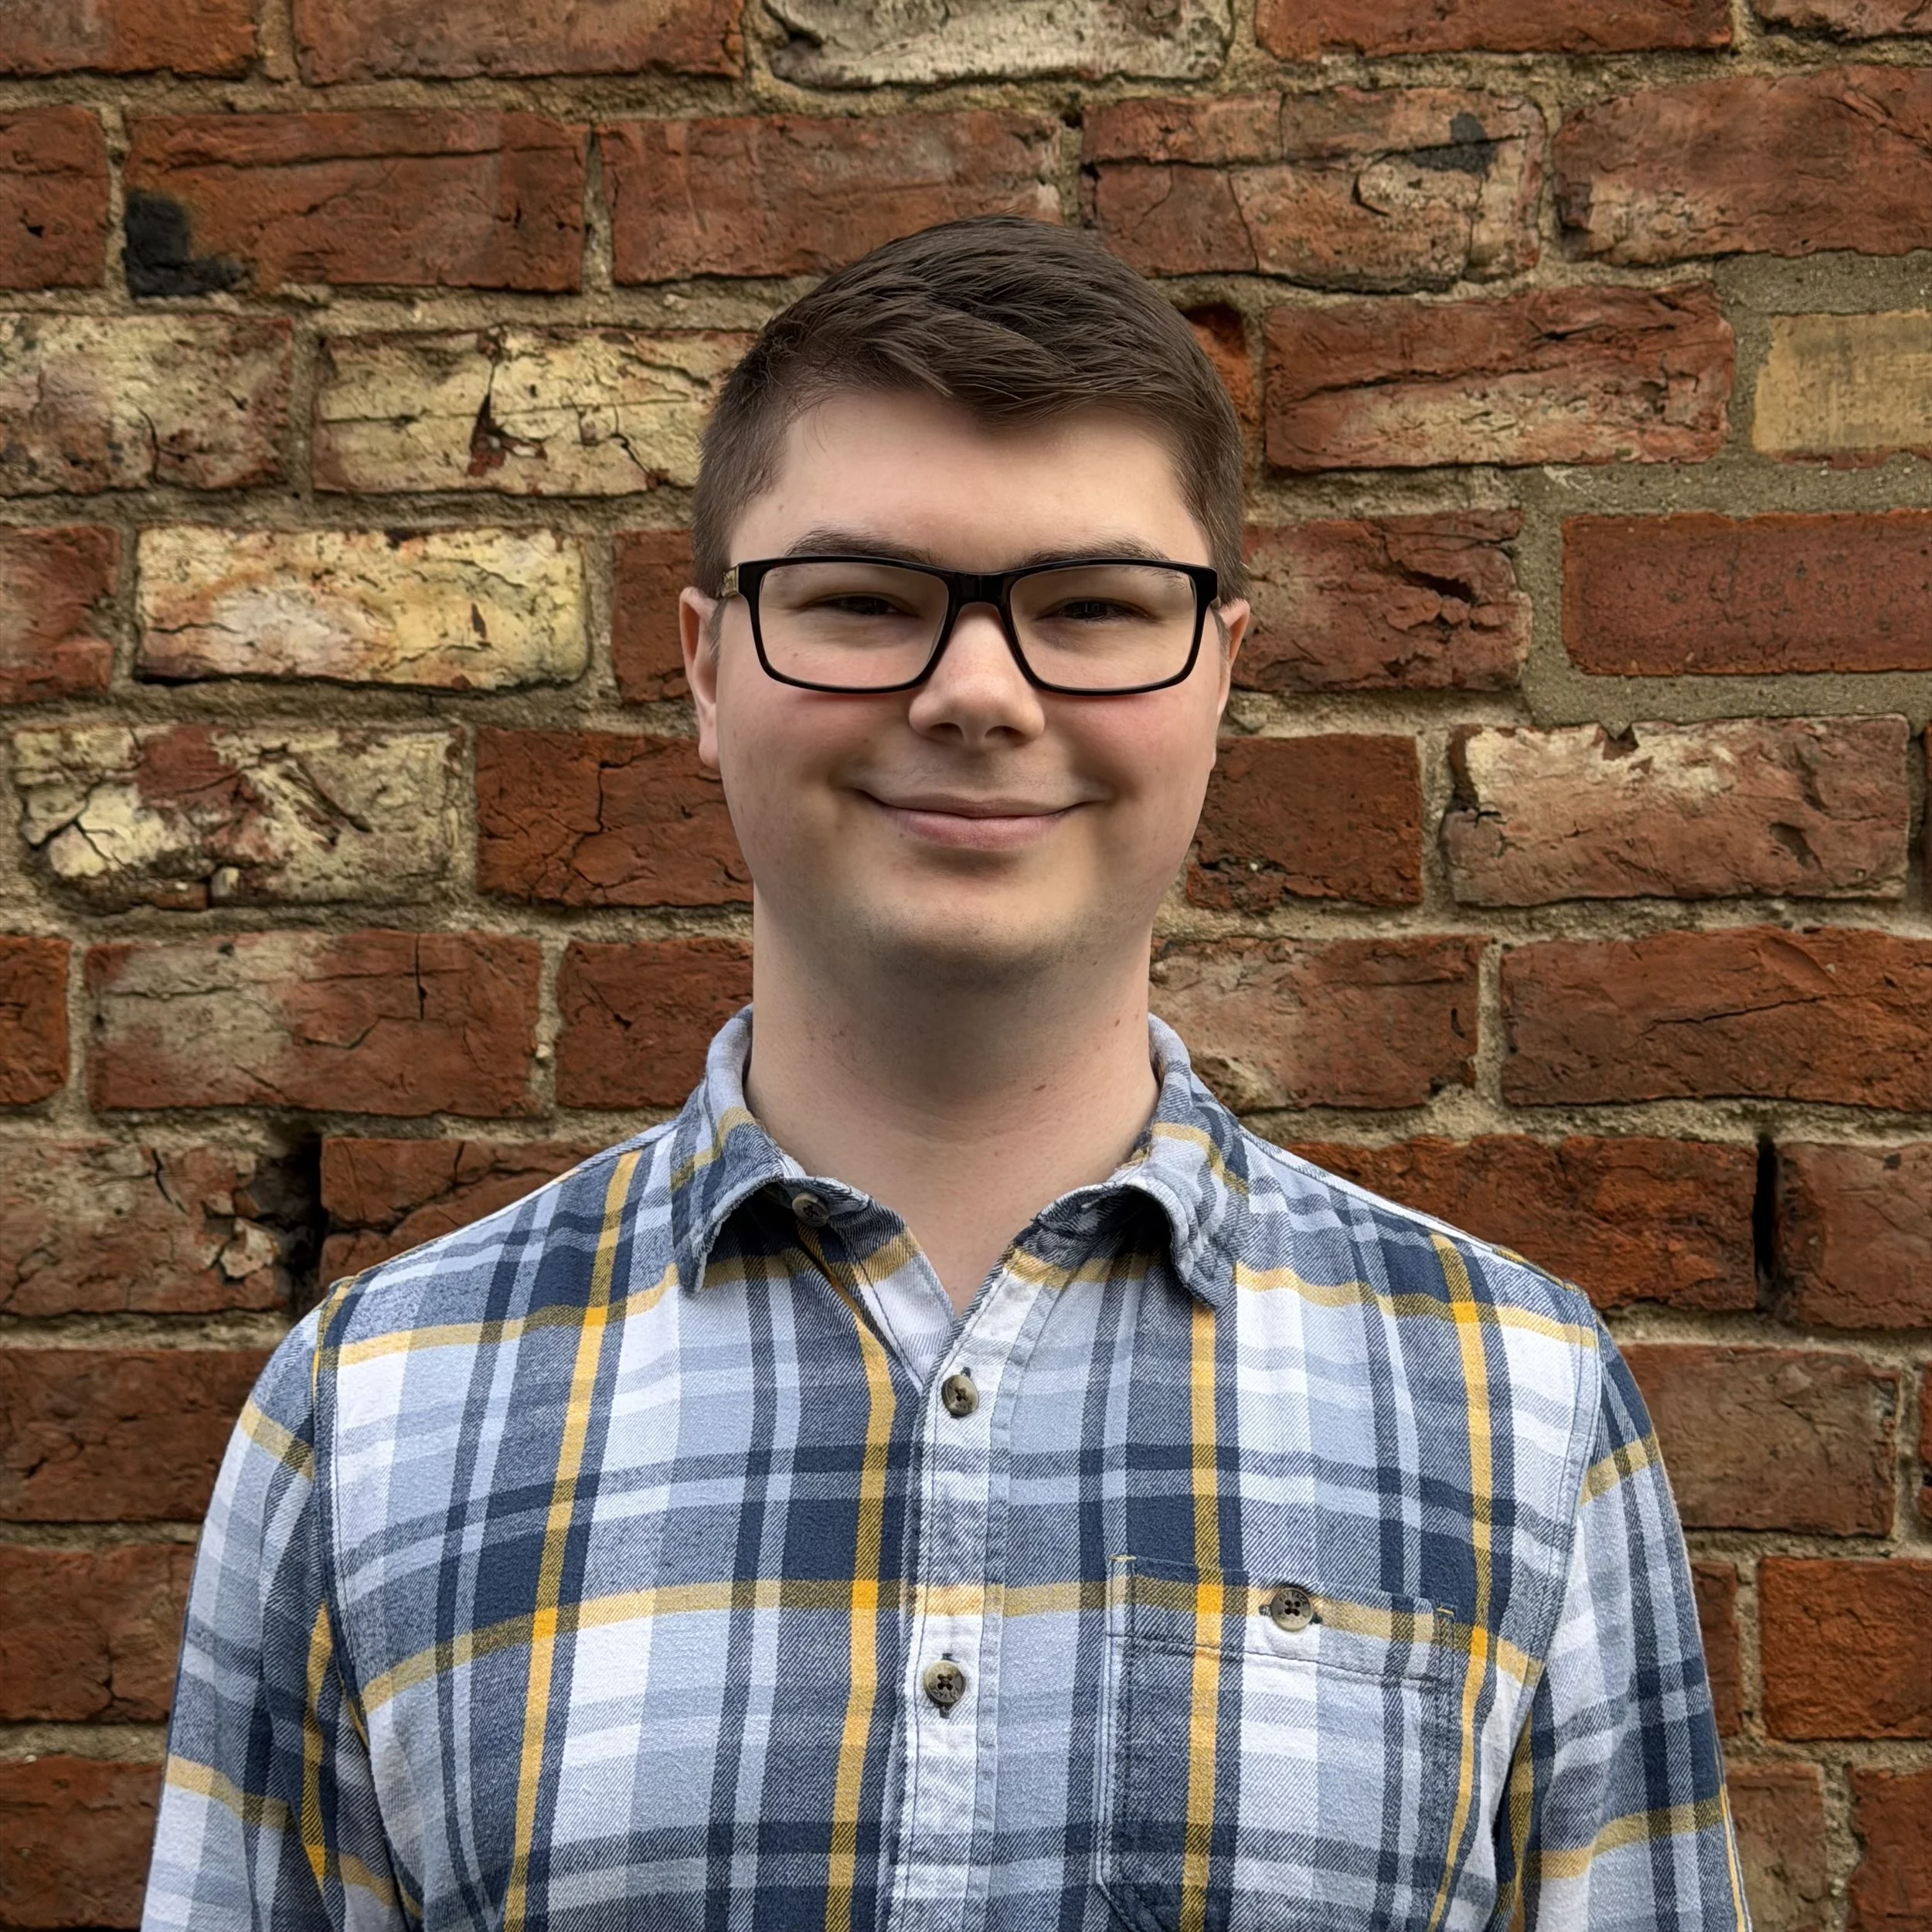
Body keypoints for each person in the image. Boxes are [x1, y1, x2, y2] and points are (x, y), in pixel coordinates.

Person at [144, 215, 1747, 1932]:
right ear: (704, 667)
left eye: (1092, 606)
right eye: (859, 601)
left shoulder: (1512, 1402)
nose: (975, 689)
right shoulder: (376, 1415)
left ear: (1220, 674)